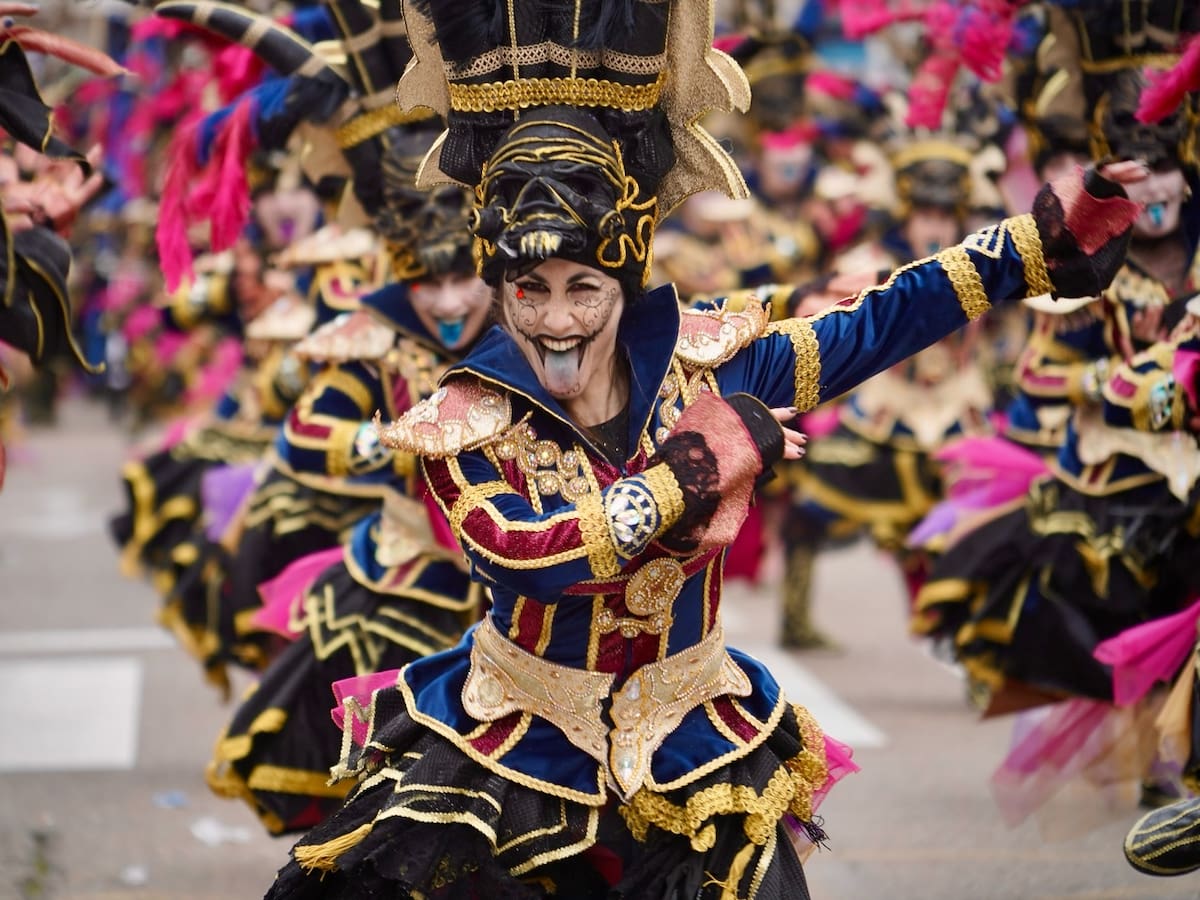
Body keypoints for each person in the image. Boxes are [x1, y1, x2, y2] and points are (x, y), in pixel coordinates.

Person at [263, 0, 1145, 896]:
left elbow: (873, 325)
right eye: (529, 289)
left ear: (626, 270)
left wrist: (1032, 248)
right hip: (518, 741)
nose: (557, 322)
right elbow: (522, 554)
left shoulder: (711, 370)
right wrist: (687, 472)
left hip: (695, 732)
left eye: (583, 287)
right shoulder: (464, 417)